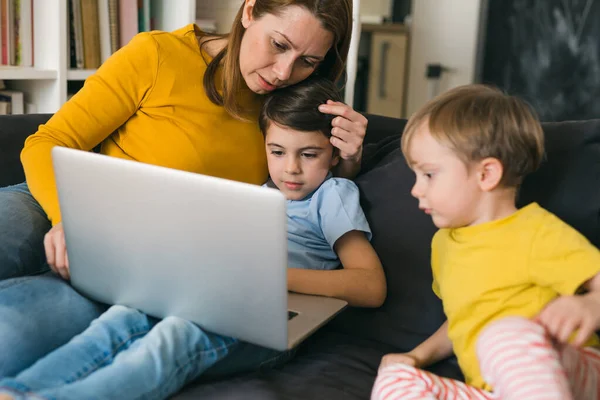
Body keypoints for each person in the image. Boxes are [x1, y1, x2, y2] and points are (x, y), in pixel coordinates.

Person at [0, 0, 369, 376]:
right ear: (250, 11)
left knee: (13, 337)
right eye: (278, 44)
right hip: (59, 199)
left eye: (308, 61)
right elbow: (49, 141)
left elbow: (308, 192)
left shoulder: (292, 104)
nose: (283, 71)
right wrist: (69, 220)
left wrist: (351, 158)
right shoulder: (158, 54)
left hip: (144, 255)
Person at [371, 84, 600, 400]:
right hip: (495, 391)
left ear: (486, 175)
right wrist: (415, 358)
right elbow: (461, 321)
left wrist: (590, 304)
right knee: (395, 380)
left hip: (570, 369)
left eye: (428, 175)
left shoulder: (533, 231)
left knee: (503, 334)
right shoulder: (444, 244)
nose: (415, 190)